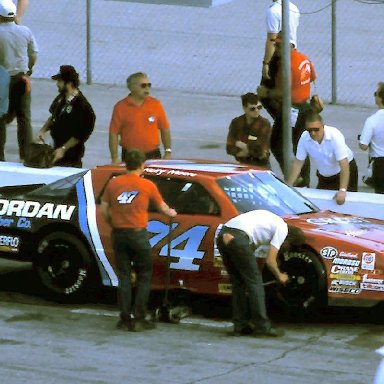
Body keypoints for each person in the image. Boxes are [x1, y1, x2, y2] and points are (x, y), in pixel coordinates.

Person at [101, 149, 177, 332]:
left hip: (119, 234)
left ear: (126, 164)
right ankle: (139, 316)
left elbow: (104, 210)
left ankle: (125, 317)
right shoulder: (147, 185)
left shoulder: (113, 183)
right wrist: (172, 213)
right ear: (142, 166)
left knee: (124, 277)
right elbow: (163, 208)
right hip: (138, 234)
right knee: (144, 275)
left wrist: (114, 223)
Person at [216, 209, 305, 337]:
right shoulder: (282, 228)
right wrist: (280, 276)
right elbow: (270, 261)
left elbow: (257, 255)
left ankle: (240, 326)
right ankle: (262, 327)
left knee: (239, 283)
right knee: (255, 283)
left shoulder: (269, 224)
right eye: (289, 247)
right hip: (238, 238)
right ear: (289, 240)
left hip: (223, 235)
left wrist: (276, 265)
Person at [258, 32, 316, 187]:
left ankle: (293, 175)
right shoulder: (304, 58)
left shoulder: (287, 65)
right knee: (300, 144)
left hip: (292, 108)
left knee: (277, 143)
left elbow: (283, 91)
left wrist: (267, 93)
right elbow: (312, 78)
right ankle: (304, 181)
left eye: (278, 45)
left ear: (287, 46)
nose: (275, 48)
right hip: (305, 106)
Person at [287, 112, 358, 205]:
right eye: (310, 130)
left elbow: (344, 164)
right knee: (321, 206)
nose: (313, 133)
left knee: (346, 204)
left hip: (345, 171)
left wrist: (342, 190)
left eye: (316, 129)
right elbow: (298, 163)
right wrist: (288, 186)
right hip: (325, 175)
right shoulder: (304, 137)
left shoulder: (334, 135)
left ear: (323, 126)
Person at [34, 65, 95, 167]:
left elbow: (79, 135)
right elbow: (53, 117)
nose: (57, 84)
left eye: (60, 81)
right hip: (55, 151)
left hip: (71, 158)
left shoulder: (82, 107)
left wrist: (63, 149)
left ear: (69, 83)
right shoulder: (61, 99)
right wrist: (42, 131)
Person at [0, 0, 37, 161]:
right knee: (24, 118)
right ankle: (26, 154)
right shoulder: (25, 31)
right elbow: (34, 54)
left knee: (1, 117)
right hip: (22, 79)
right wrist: (29, 69)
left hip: (3, 80)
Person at [109, 72, 172, 164]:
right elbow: (113, 133)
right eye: (143, 85)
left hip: (153, 155)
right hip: (130, 155)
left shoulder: (156, 104)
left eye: (148, 85)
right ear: (132, 87)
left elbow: (164, 129)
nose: (147, 88)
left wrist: (168, 151)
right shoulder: (120, 107)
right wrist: (114, 157)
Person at [226, 92, 271, 167]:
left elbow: (260, 151)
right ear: (244, 108)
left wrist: (241, 145)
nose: (257, 110)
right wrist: (252, 149)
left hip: (261, 165)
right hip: (243, 164)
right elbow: (229, 148)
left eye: (259, 107)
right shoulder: (236, 123)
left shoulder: (264, 124)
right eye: (252, 108)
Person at [262, 0, 300, 81]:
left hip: (278, 56)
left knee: (266, 91)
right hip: (293, 52)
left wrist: (266, 63)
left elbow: (272, 40)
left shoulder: (273, 11)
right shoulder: (294, 8)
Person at [358, 82, 384, 194]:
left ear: (380, 98)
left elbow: (363, 145)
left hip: (380, 163)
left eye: (375, 94)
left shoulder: (372, 120)